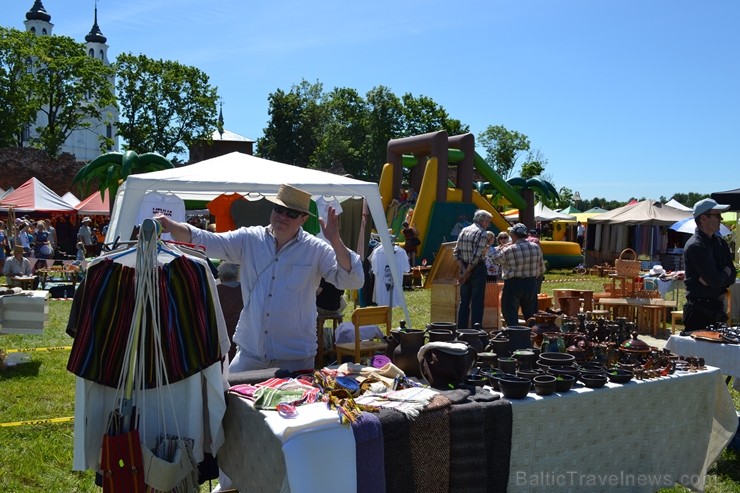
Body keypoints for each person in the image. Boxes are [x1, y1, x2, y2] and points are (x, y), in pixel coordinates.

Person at [156, 183, 364, 372]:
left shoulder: (317, 249)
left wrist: (335, 240)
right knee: (232, 408)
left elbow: (352, 280)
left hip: (295, 358)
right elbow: (207, 240)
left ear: (304, 218)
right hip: (250, 353)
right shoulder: (249, 238)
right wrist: (171, 225)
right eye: (278, 209)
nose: (282, 216)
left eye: (291, 213)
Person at [682, 198, 737, 333]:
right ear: (703, 218)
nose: (721, 218)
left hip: (717, 309)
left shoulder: (720, 243)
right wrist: (724, 273)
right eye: (717, 215)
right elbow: (715, 280)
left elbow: (732, 275)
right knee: (697, 353)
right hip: (699, 312)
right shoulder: (695, 246)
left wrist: (720, 276)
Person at [490, 222, 546, 327]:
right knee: (531, 315)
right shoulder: (536, 247)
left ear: (514, 235)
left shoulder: (509, 249)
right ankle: (532, 337)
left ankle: (514, 337)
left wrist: (503, 246)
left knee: (510, 314)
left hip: (513, 284)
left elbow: (494, 259)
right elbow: (541, 268)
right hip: (531, 283)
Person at [453, 209, 493, 329]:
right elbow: (476, 258)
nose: (488, 225)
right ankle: (476, 332)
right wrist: (467, 272)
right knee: (477, 302)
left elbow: (455, 253)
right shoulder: (482, 233)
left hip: (464, 266)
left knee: (464, 302)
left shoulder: (464, 230)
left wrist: (464, 271)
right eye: (488, 222)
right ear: (482, 221)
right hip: (476, 269)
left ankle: (461, 330)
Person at [216, 262, 243, 363]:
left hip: (222, 335)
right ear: (237, 275)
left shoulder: (216, 290)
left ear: (220, 276)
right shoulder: (245, 290)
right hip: (241, 334)